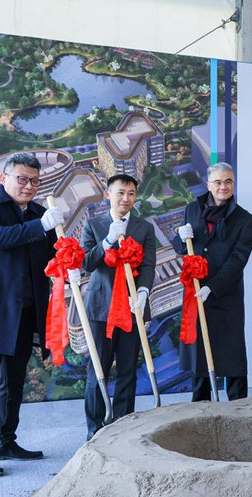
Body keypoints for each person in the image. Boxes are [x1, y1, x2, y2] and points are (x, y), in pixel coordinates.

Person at [0, 152, 65, 476]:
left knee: (13, 383)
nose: (29, 186)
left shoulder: (39, 213)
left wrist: (68, 256)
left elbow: (50, 260)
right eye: (22, 179)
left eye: (35, 180)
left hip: (24, 312)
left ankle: (4, 440)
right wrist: (41, 225)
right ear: (4, 177)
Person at [79, 174, 156, 440]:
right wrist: (107, 242)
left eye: (131, 193)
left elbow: (148, 265)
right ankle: (95, 429)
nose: (126, 198)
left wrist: (144, 292)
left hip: (132, 307)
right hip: (102, 309)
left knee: (127, 368)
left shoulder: (144, 227)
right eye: (121, 192)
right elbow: (86, 263)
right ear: (108, 194)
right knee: (98, 368)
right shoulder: (94, 225)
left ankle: (124, 426)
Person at [173, 162, 252, 401]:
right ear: (209, 184)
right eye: (218, 182)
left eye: (228, 181)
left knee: (232, 353)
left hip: (225, 295)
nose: (223, 186)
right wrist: (179, 238)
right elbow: (182, 248)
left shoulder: (245, 220)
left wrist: (213, 287)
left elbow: (238, 260)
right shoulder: (192, 209)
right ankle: (200, 406)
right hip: (195, 292)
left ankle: (238, 406)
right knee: (200, 351)